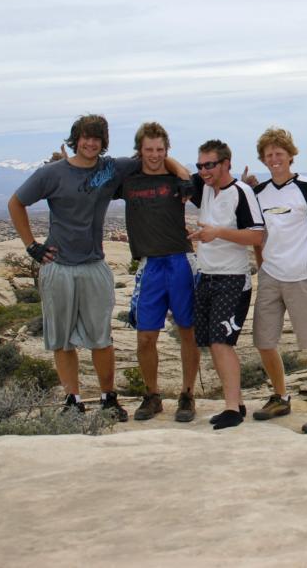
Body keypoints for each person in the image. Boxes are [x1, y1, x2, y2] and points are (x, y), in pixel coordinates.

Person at [7, 114, 184, 419]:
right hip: (58, 266)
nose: (90, 143)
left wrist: (183, 175)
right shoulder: (52, 173)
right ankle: (72, 400)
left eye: (97, 138)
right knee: (62, 339)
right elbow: (16, 203)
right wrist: (31, 246)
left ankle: (108, 398)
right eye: (85, 137)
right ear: (76, 139)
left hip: (94, 265)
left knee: (101, 338)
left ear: (103, 142)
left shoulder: (110, 168)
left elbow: (155, 157)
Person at [250, 126, 307, 436]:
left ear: (290, 155)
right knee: (263, 341)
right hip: (272, 277)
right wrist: (262, 268)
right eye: (269, 155)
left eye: (279, 153)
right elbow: (258, 236)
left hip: (301, 277)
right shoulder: (259, 193)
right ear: (263, 159)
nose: (274, 159)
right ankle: (281, 396)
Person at [118, 122, 200, 423]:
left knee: (187, 331)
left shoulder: (178, 179)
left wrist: (177, 169)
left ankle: (187, 394)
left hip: (180, 260)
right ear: (139, 150)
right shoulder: (128, 180)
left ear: (167, 151)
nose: (154, 155)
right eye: (149, 149)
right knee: (145, 337)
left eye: (160, 150)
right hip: (150, 264)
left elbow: (192, 178)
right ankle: (152, 396)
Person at [188, 139, 265, 430]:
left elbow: (257, 236)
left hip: (232, 278)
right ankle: (237, 401)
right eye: (200, 165)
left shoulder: (241, 192)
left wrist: (219, 232)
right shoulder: (207, 189)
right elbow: (171, 168)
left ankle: (232, 408)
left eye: (209, 165)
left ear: (225, 164)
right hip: (206, 275)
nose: (203, 171)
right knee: (213, 342)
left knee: (221, 341)